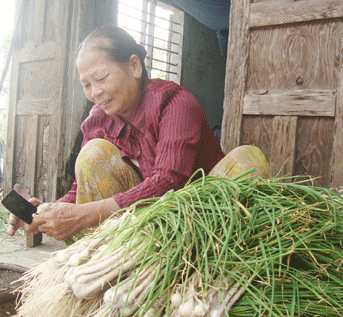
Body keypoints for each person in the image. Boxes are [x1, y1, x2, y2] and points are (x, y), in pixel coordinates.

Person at [7, 25, 270, 242]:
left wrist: (86, 214)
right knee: (92, 155)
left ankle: (207, 264)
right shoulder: (97, 121)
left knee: (249, 158)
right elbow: (82, 188)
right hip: (149, 225)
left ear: (134, 67)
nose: (95, 92)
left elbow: (169, 183)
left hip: (205, 220)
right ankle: (114, 261)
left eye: (101, 78)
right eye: (86, 84)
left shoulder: (174, 104)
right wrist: (45, 212)